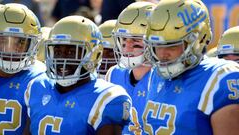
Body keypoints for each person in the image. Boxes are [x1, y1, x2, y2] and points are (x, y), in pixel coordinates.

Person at [24, 15, 132, 135]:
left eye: (71, 52)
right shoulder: (37, 86)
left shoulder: (107, 98)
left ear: (93, 55)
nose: (62, 59)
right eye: (58, 51)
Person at [143, 0, 239, 134]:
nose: (162, 54)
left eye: (172, 45)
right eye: (157, 45)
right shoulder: (155, 74)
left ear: (198, 40)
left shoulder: (220, 77)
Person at [105, 2, 155, 134]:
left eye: (136, 41)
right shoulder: (113, 74)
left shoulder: (163, 78)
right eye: (123, 40)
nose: (127, 48)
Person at [0, 3, 45, 134]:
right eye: (4, 41)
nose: (12, 50)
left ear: (34, 44)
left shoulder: (41, 78)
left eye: (21, 42)